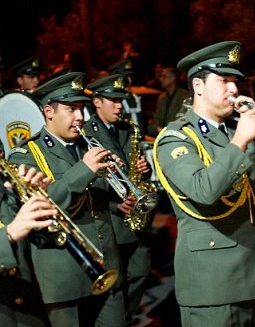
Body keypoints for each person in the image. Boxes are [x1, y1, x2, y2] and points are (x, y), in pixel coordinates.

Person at [153, 40, 255, 327]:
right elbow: (204, 190)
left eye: (235, 81)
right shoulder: (176, 138)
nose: (234, 89)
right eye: (224, 81)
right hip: (213, 287)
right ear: (198, 86)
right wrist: (240, 141)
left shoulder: (239, 128)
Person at [8, 72, 127, 327]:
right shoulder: (26, 154)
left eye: (82, 108)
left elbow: (99, 200)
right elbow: (40, 207)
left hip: (106, 265)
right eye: (71, 109)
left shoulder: (89, 145)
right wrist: (85, 170)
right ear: (49, 111)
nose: (80, 117)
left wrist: (120, 194)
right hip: (63, 276)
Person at [84, 73, 154, 324]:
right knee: (116, 281)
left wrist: (143, 167)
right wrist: (115, 204)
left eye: (121, 99)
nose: (119, 105)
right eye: (112, 100)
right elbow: (86, 181)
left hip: (134, 215)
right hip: (110, 217)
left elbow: (133, 166)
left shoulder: (127, 129)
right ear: (97, 102)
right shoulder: (84, 134)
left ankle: (124, 318)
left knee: (141, 271)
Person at [0, 163, 56, 327]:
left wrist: (40, 202)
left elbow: (42, 240)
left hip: (28, 309)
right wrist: (9, 234)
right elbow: (12, 231)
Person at [149, 67, 189, 137]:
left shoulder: (184, 96)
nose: (161, 79)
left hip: (177, 132)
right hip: (161, 131)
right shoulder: (162, 97)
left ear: (172, 79)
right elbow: (157, 118)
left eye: (164, 77)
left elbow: (183, 118)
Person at [108, 59, 143, 127]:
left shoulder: (134, 98)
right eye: (125, 77)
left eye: (130, 77)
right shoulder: (110, 100)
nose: (129, 80)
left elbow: (142, 122)